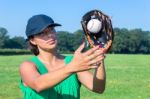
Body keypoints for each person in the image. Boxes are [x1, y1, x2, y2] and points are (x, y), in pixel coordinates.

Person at [19, 14, 106, 99]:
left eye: (51, 30)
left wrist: (99, 54)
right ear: (32, 40)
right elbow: (38, 85)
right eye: (42, 33)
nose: (50, 35)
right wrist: (72, 67)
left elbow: (98, 88)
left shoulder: (73, 62)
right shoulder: (28, 65)